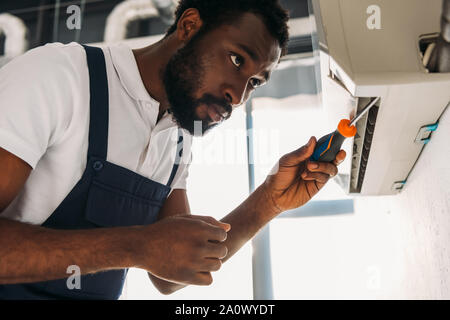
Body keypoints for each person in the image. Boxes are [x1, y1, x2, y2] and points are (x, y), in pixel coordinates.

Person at [0, 0, 345, 299]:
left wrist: (270, 201)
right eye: (237, 60)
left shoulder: (178, 138)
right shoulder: (60, 77)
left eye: (254, 82)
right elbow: (149, 249)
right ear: (189, 26)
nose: (238, 96)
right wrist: (138, 246)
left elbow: (169, 275)